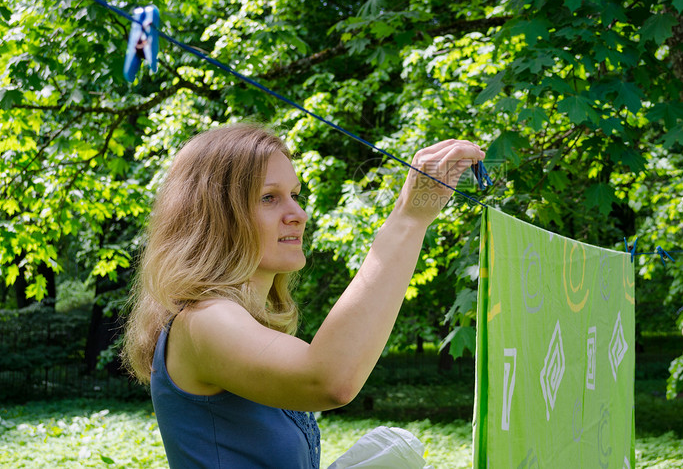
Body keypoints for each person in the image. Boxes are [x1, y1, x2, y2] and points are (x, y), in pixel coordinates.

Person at [122, 123, 485, 468]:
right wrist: (409, 217)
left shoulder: (236, 321)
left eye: (294, 195)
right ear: (215, 215)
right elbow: (329, 380)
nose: (298, 213)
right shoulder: (203, 320)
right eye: (269, 198)